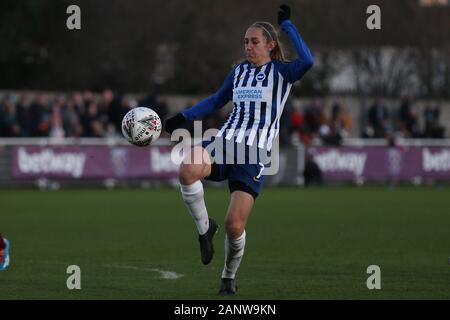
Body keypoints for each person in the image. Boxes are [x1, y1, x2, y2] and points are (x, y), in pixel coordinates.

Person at [164, 5, 313, 295]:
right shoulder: (239, 72)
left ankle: (228, 278)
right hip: (224, 142)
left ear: (270, 45)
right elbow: (216, 100)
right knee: (187, 169)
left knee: (234, 226)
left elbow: (308, 60)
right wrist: (183, 118)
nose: (248, 46)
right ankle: (205, 229)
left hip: (254, 155)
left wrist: (288, 27)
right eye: (245, 41)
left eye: (254, 41)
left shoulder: (282, 73)